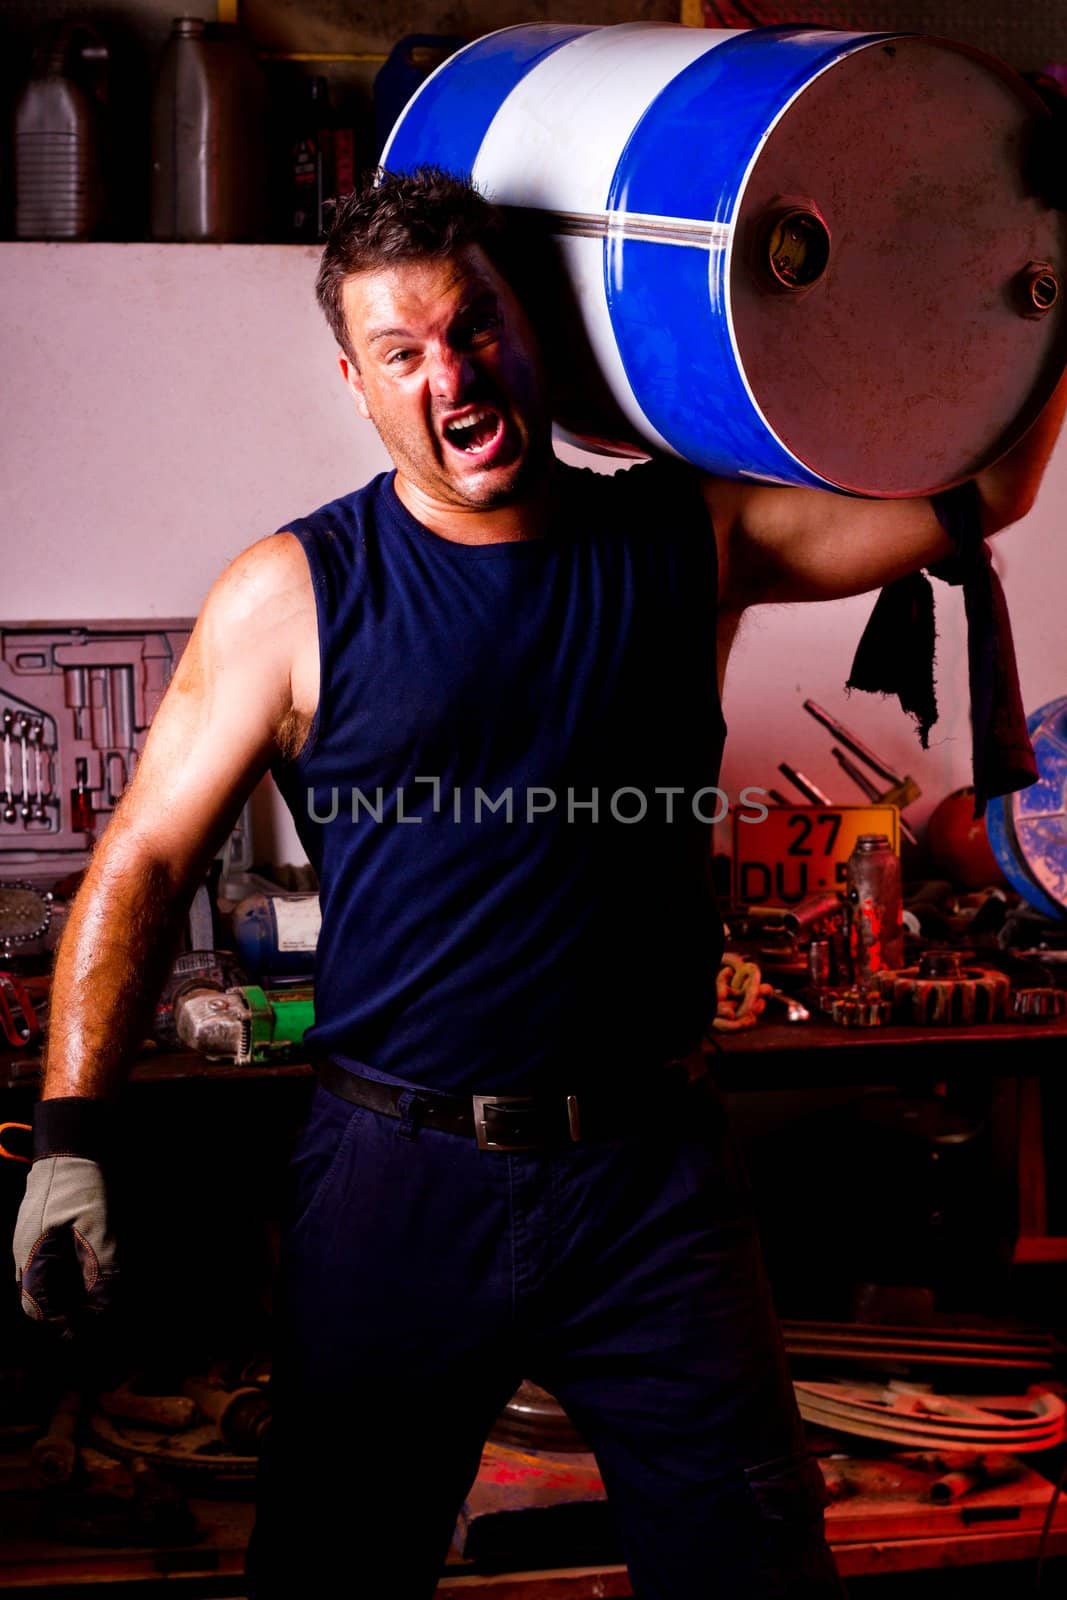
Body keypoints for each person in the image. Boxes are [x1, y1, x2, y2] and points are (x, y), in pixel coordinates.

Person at [13, 167, 1067, 1599]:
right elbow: (138, 858)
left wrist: (1041, 265)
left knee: (754, 1568)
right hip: (398, 1176)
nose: (451, 375)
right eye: (403, 353)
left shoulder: (687, 534)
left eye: (475, 326)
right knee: (332, 1573)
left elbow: (985, 487)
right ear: (358, 383)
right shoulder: (293, 593)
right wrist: (72, 1130)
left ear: (533, 330)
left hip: (653, 1181)